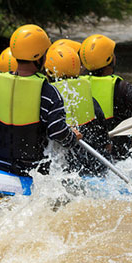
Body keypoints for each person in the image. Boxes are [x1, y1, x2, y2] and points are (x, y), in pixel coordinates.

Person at [0, 24, 81, 176]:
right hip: (33, 173)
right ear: (39, 57)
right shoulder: (48, 92)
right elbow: (58, 132)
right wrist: (73, 137)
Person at [44, 44, 109, 175]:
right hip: (95, 168)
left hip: (66, 172)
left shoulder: (48, 100)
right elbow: (106, 141)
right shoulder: (90, 100)